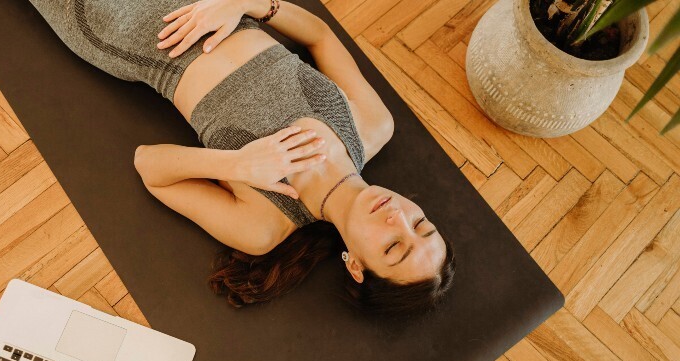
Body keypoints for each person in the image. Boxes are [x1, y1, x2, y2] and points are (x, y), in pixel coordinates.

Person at [29, 0, 455, 317]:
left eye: (394, 246)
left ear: (356, 265)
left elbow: (149, 167)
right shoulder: (374, 126)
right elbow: (320, 36)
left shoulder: (263, 225)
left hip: (126, 25)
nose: (397, 218)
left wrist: (235, 165)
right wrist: (247, 4)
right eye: (421, 225)